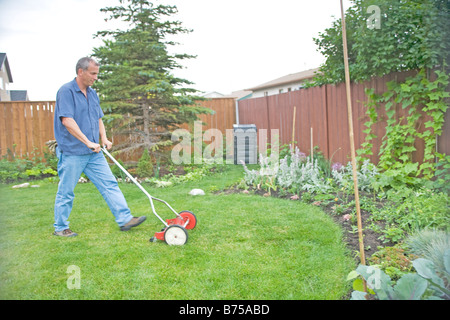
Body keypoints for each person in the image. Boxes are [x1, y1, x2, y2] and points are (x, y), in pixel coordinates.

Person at [53, 57, 146, 237]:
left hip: (94, 152)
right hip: (73, 152)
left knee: (109, 184)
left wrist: (104, 137)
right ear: (81, 72)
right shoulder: (66, 91)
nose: (96, 77)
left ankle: (125, 219)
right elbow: (67, 120)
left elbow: (98, 118)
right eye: (93, 73)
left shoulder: (92, 93)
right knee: (66, 191)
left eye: (97, 74)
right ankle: (61, 227)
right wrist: (87, 141)